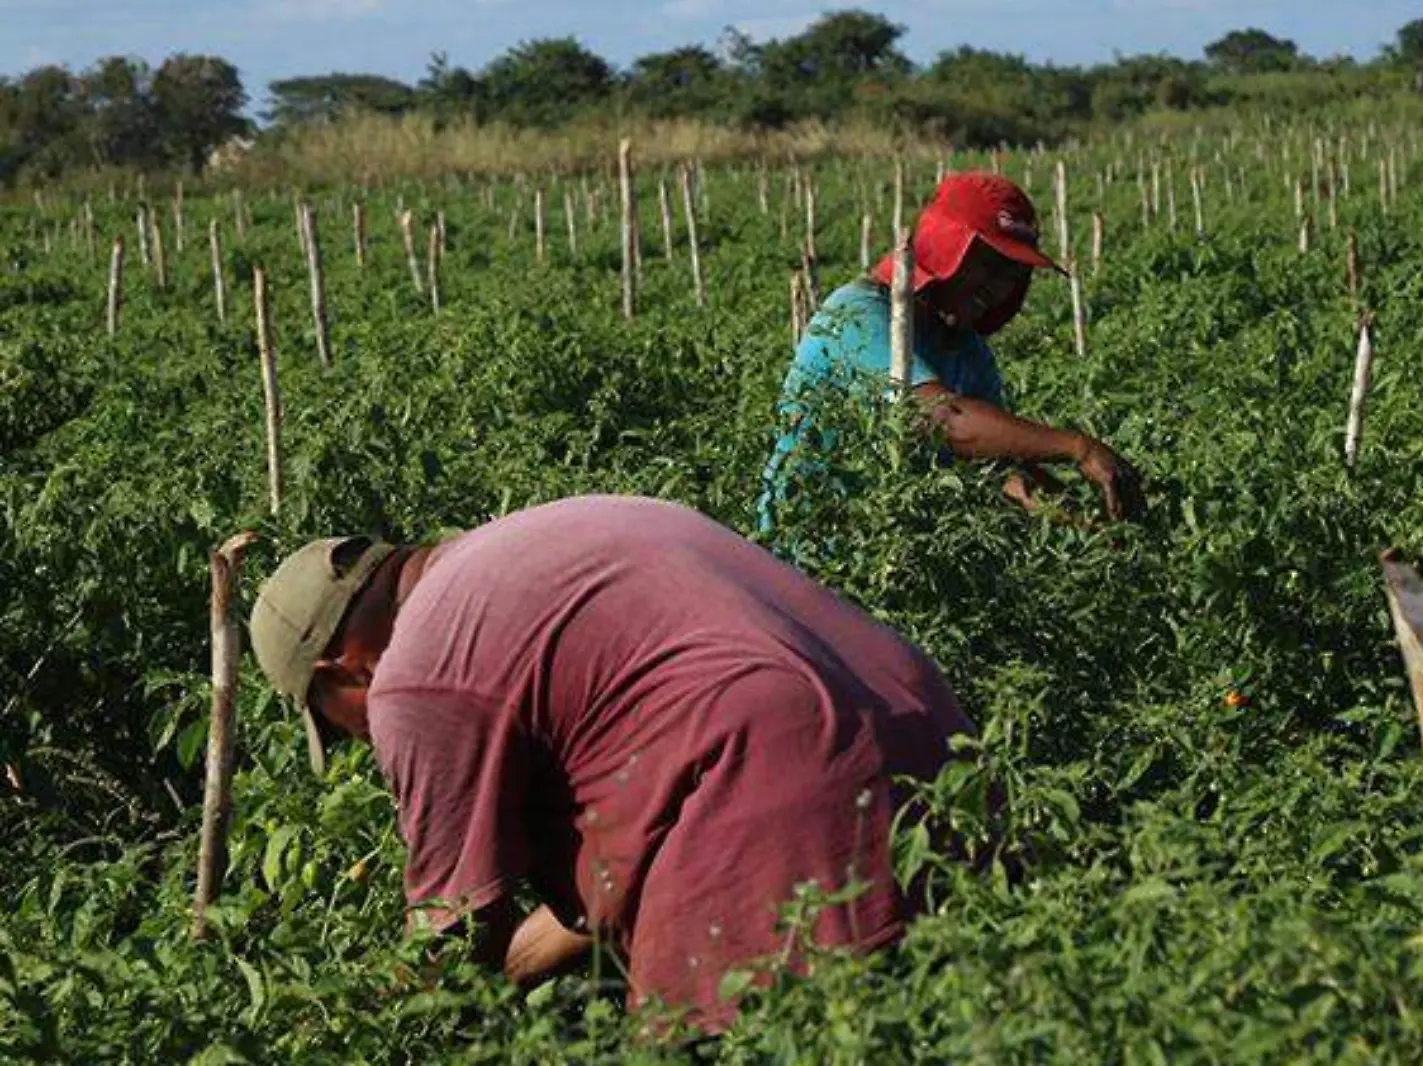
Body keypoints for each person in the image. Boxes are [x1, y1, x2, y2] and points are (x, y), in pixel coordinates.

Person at [247, 494, 974, 1034]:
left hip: (783, 796)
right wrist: (516, 961)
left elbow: (453, 931)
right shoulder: (543, 536)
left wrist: (351, 1031)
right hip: (941, 750)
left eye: (337, 726)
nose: (361, 742)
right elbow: (625, 864)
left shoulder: (414, 675)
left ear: (342, 667)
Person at [757, 171, 1144, 539]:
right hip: (808, 550)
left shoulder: (967, 348)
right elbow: (944, 418)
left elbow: (997, 464)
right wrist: (1078, 447)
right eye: (987, 265)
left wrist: (1080, 521)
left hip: (893, 555)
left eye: (1012, 274)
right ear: (946, 248)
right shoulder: (859, 315)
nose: (997, 287)